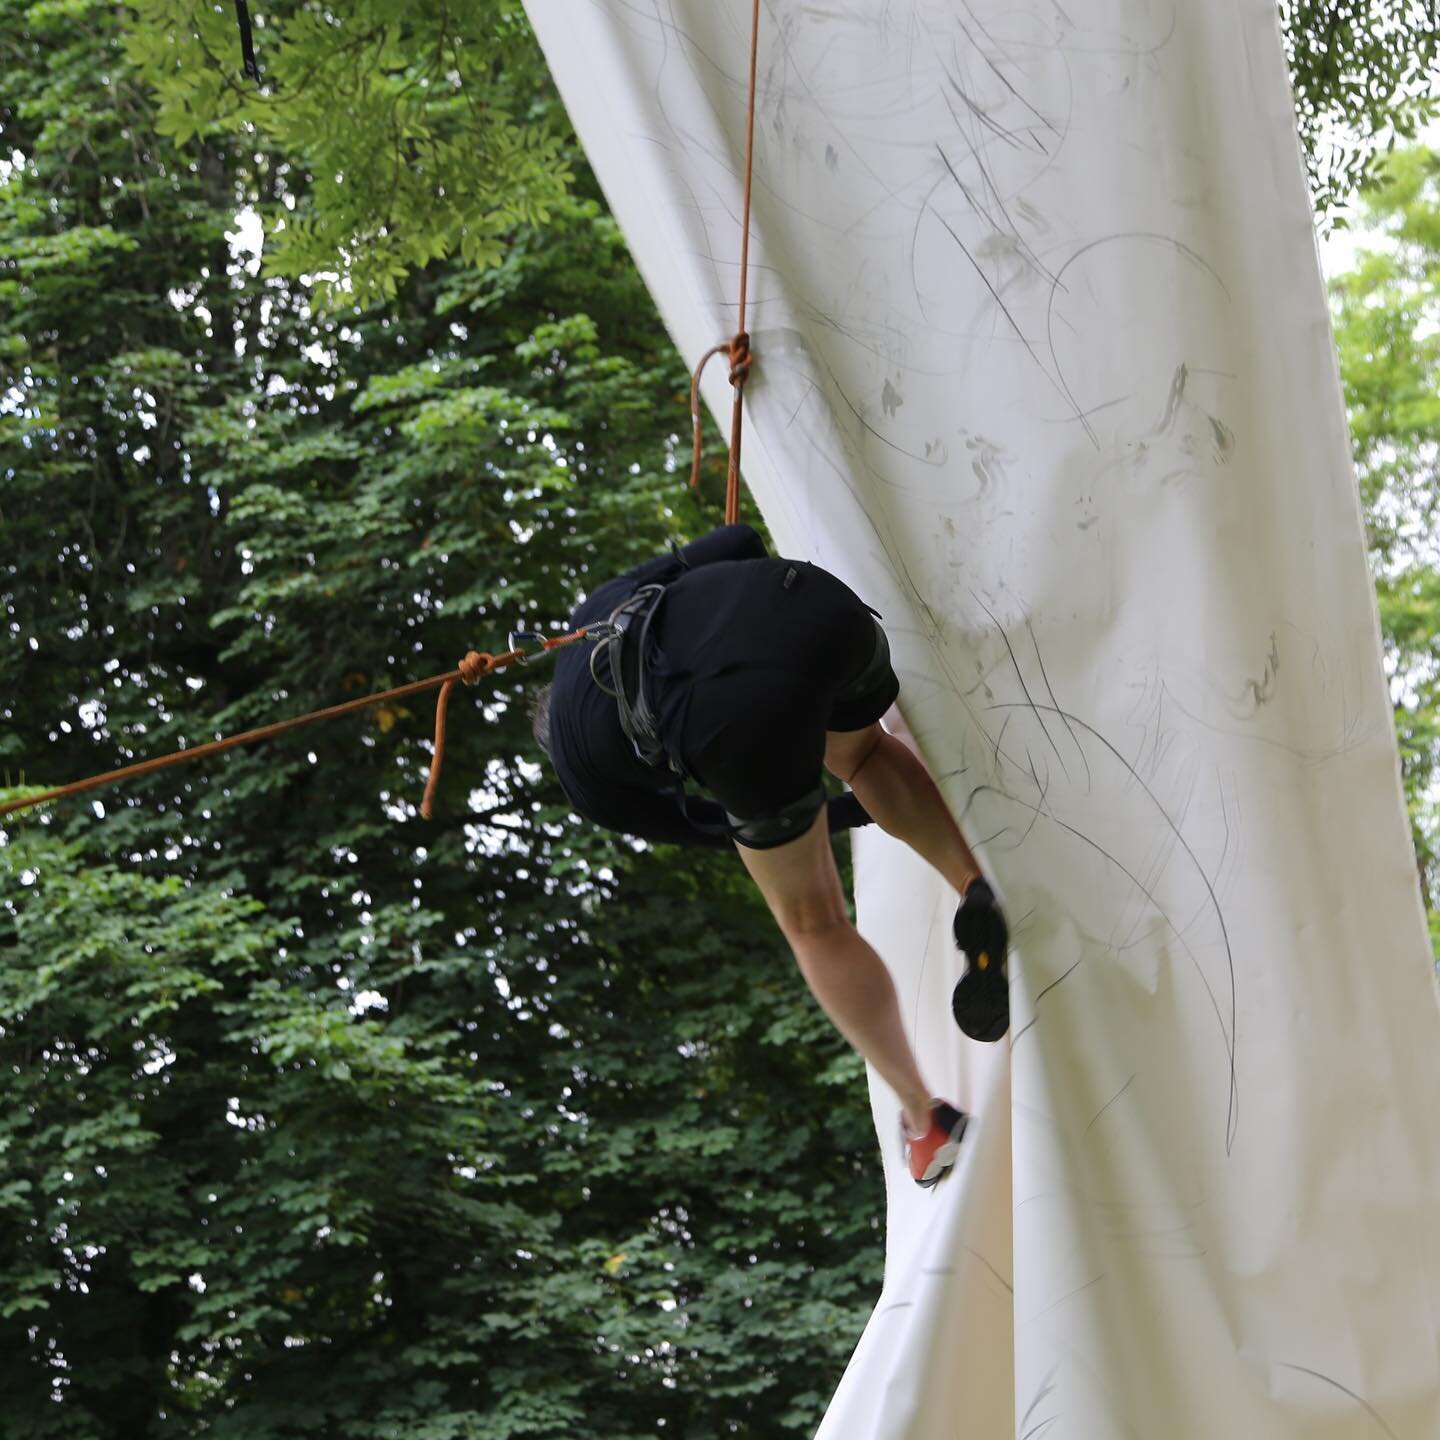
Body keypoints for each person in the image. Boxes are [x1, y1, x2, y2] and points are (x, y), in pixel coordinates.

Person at [532, 524, 1009, 1188]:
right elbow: (739, 540)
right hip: (814, 607)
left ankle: (925, 1118)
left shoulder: (584, 776)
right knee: (865, 753)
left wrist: (831, 811)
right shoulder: (593, 611)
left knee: (812, 922)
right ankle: (975, 883)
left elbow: (709, 826)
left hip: (726, 714)